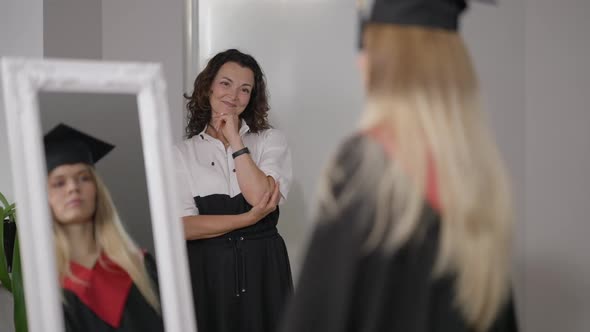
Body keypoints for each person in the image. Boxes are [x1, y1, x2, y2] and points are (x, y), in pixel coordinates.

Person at [281, 0, 519, 331]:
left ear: (389, 64)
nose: (359, 62)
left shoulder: (367, 168)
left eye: (368, 47)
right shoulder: (477, 182)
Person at [176, 48, 293, 332]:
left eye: (245, 89)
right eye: (225, 83)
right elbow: (183, 228)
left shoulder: (270, 140)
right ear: (208, 87)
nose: (233, 95)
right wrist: (247, 219)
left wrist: (235, 140)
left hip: (264, 270)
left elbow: (259, 196)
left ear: (252, 97)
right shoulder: (182, 153)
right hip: (208, 273)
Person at [44, 124, 164, 332]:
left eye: (83, 178)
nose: (73, 187)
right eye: (59, 183)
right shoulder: (51, 290)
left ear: (97, 190)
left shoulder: (140, 266)